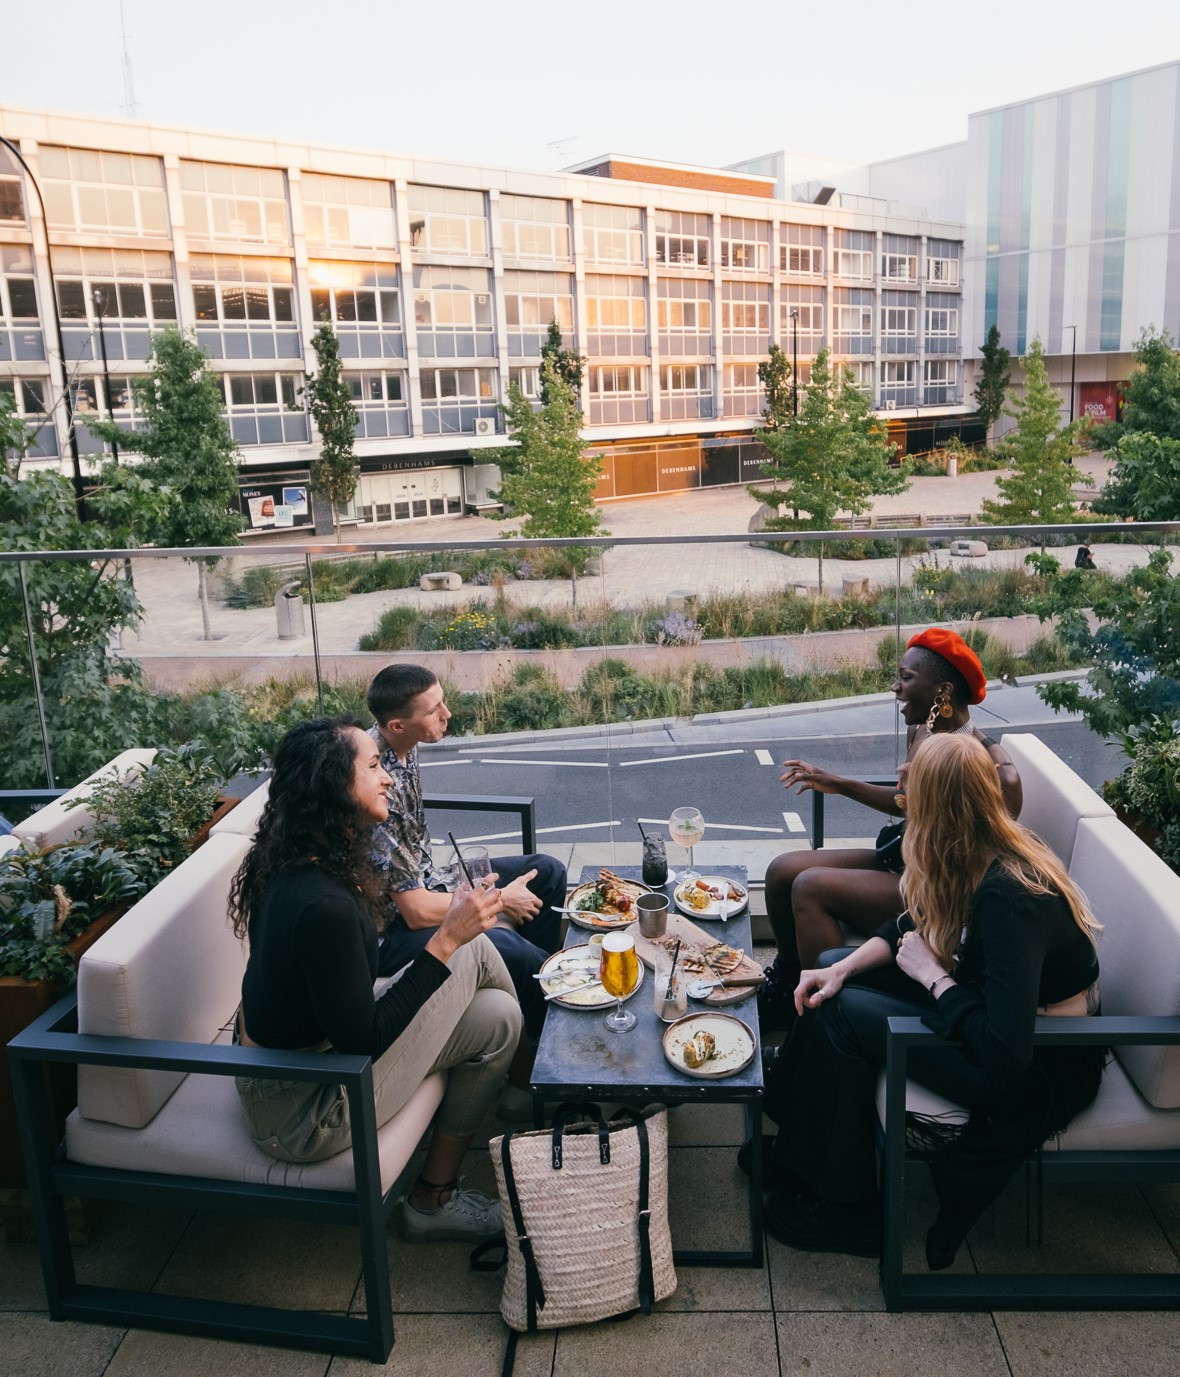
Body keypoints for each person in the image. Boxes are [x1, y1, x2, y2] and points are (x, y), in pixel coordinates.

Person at [761, 733, 1103, 1267]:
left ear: (941, 810)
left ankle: (851, 1211)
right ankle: (796, 1152)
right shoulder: (974, 852)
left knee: (844, 1013)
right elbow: (911, 922)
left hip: (1037, 1063)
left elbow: (1007, 1054)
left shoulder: (1011, 896)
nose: (902, 799)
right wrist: (841, 967)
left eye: (912, 792)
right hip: (980, 1007)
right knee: (831, 973)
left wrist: (935, 979)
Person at [230, 716, 522, 1242]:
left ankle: (433, 1197)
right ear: (334, 786)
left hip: (310, 1060)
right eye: (372, 766)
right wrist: (446, 939)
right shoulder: (323, 903)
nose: (388, 775)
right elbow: (361, 1040)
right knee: (474, 947)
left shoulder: (306, 856)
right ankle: (528, 1081)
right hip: (301, 1110)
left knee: (499, 1018)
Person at [758, 628, 1022, 1030]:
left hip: (938, 886)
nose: (895, 688)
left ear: (943, 693)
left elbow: (986, 852)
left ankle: (826, 1023)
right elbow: (906, 804)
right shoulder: (922, 731)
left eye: (906, 678)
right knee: (781, 871)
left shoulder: (992, 770)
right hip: (903, 856)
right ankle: (786, 985)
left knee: (810, 886)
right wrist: (836, 783)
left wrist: (958, 779)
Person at [366, 665, 567, 1043]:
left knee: (547, 871)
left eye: (442, 701)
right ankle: (546, 1039)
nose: (447, 714)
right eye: (433, 710)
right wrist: (500, 898)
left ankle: (534, 1013)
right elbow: (415, 912)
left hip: (428, 880)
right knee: (514, 950)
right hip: (391, 931)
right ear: (397, 725)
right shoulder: (374, 787)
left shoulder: (406, 746)